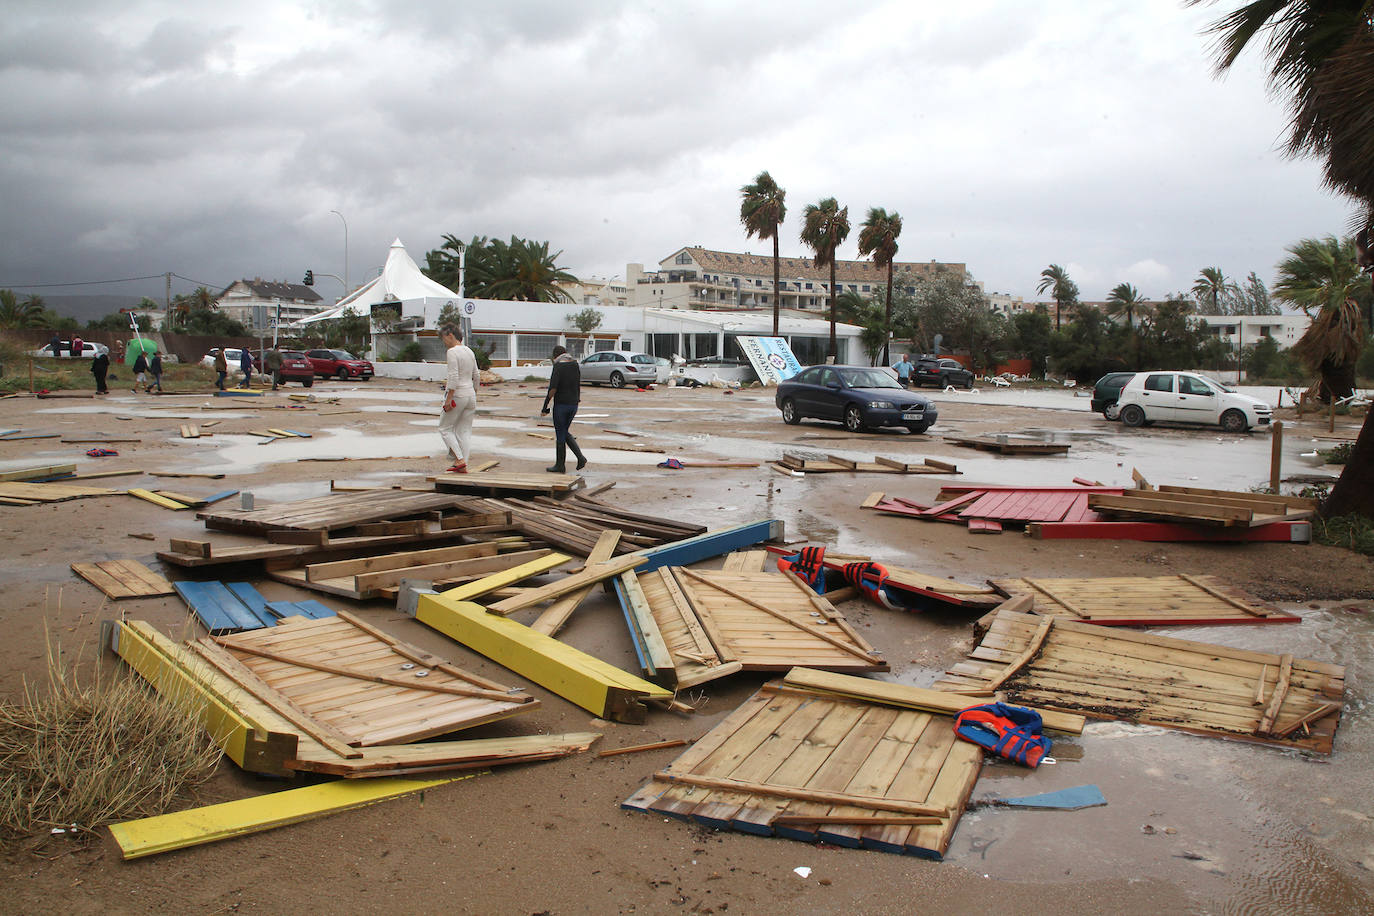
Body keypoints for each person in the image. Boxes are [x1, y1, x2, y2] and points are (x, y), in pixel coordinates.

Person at [438, 324, 480, 473]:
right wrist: (474, 392)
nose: (444, 342)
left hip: (458, 394)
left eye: (444, 338)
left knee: (444, 428)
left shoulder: (452, 352)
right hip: (470, 395)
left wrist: (448, 399)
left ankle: (460, 460)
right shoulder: (469, 351)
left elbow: (453, 378)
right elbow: (477, 375)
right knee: (464, 431)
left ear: (450, 335)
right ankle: (463, 465)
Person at [541, 345, 587, 473]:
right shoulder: (575, 364)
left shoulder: (558, 366)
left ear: (555, 356)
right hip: (574, 405)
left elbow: (553, 389)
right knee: (564, 432)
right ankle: (579, 458)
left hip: (561, 406)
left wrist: (545, 406)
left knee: (561, 434)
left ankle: (561, 465)